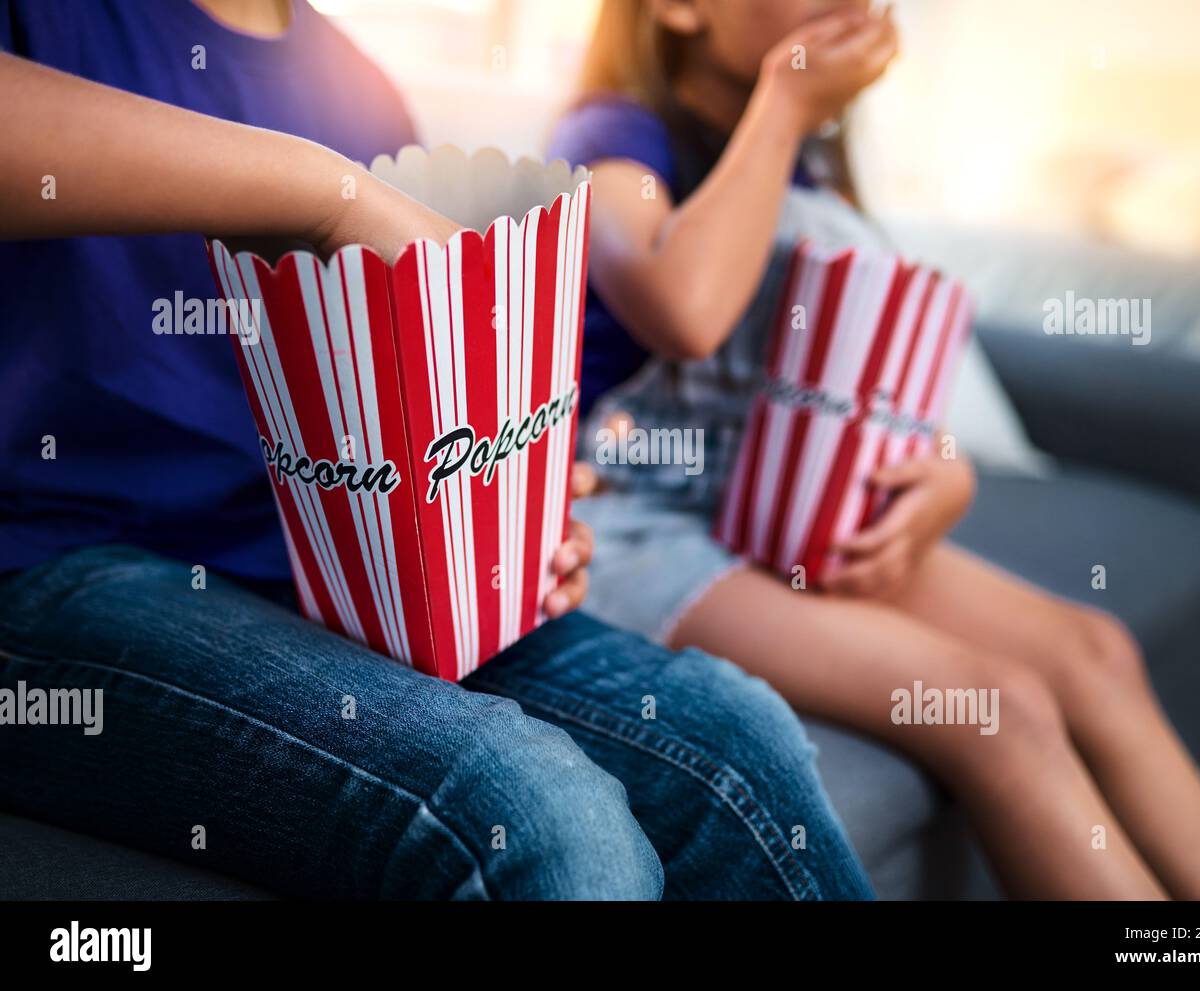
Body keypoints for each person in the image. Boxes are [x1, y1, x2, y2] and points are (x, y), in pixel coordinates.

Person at [0, 0, 873, 901]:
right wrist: (320, 191)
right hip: (48, 554)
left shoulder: (358, 90)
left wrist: (512, 513)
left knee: (739, 736)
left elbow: (411, 399)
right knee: (539, 814)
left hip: (311, 559)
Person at [549, 0, 1200, 899]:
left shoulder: (812, 173)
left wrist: (946, 472)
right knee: (995, 707)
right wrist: (786, 107)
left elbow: (858, 378)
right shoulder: (614, 133)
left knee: (1095, 650)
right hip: (635, 520)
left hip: (773, 499)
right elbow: (684, 310)